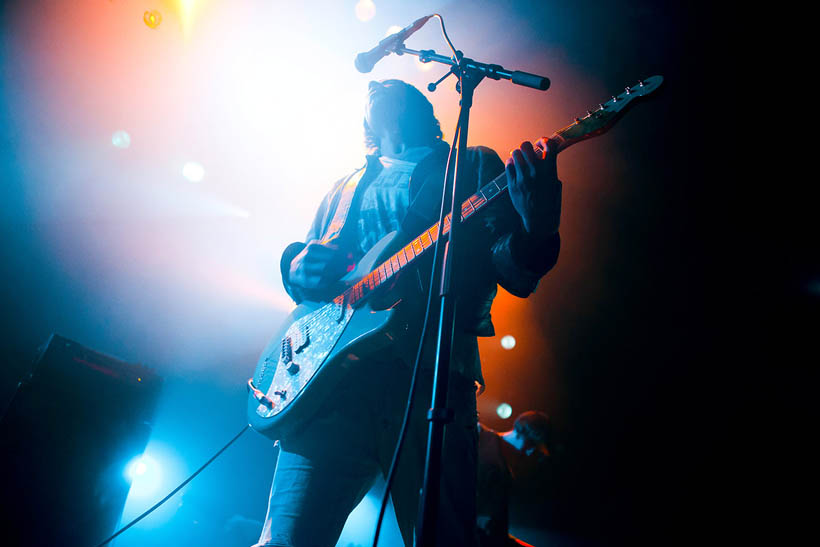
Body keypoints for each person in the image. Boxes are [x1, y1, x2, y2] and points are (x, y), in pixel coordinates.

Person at [253, 79, 563, 547]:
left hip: (431, 377)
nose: (377, 85)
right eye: (373, 87)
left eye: (392, 85)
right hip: (331, 385)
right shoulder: (345, 186)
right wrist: (294, 266)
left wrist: (537, 230)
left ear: (420, 107)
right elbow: (309, 288)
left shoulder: (472, 165)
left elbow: (513, 272)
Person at [477, 411, 556, 547]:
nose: (531, 452)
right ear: (519, 432)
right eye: (531, 445)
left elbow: (494, 533)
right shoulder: (479, 437)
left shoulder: (505, 471)